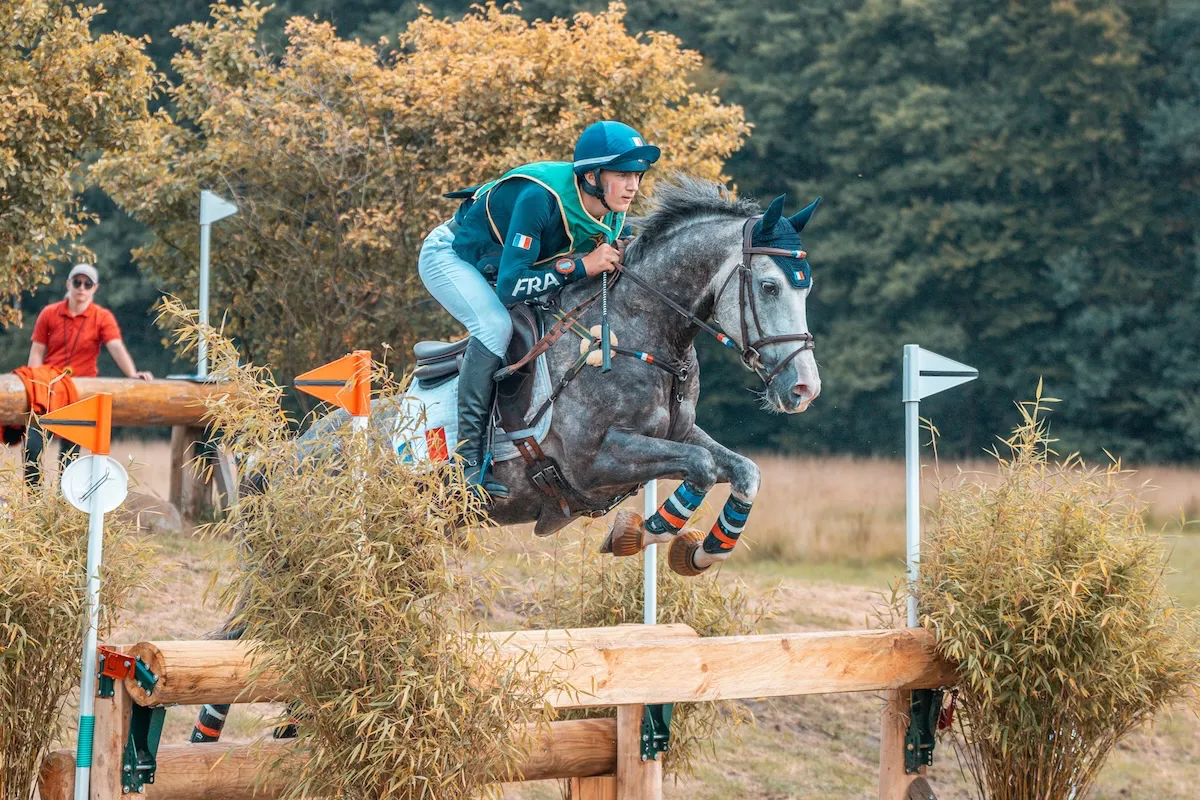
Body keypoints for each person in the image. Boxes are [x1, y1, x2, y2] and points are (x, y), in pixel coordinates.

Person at [419, 120, 660, 498]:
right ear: (592, 176)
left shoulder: (612, 210)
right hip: (450, 257)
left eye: (637, 176)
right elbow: (511, 287)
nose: (633, 186)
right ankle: (465, 464)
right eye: (623, 175)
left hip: (499, 266)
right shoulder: (539, 199)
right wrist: (581, 266)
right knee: (495, 326)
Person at [22, 263, 153, 483]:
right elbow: (37, 351)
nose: (81, 288)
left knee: (70, 457)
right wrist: (35, 385)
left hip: (80, 394)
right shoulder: (49, 313)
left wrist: (132, 374)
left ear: (95, 288)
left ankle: (63, 501)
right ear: (68, 284)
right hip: (49, 391)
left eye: (87, 284)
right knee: (32, 448)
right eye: (77, 282)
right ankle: (35, 499)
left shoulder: (102, 317)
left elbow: (115, 346)